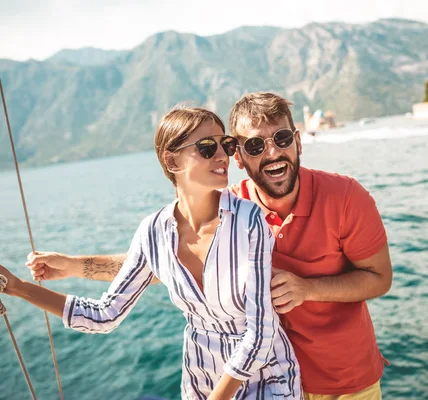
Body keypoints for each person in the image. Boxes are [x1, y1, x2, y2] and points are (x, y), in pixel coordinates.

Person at [27, 92, 393, 399]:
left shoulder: (344, 197)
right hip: (259, 378)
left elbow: (379, 279)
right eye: (252, 144)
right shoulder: (226, 207)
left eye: (281, 139)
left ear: (297, 141)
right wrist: (74, 266)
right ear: (240, 156)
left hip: (343, 379)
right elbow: (168, 263)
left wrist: (308, 289)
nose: (272, 153)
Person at [2, 106, 302, 400]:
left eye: (225, 144)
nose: (224, 155)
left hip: (267, 379)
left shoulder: (249, 220)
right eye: (208, 148)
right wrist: (16, 287)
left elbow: (260, 331)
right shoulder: (153, 232)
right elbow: (104, 315)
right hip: (201, 380)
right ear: (172, 161)